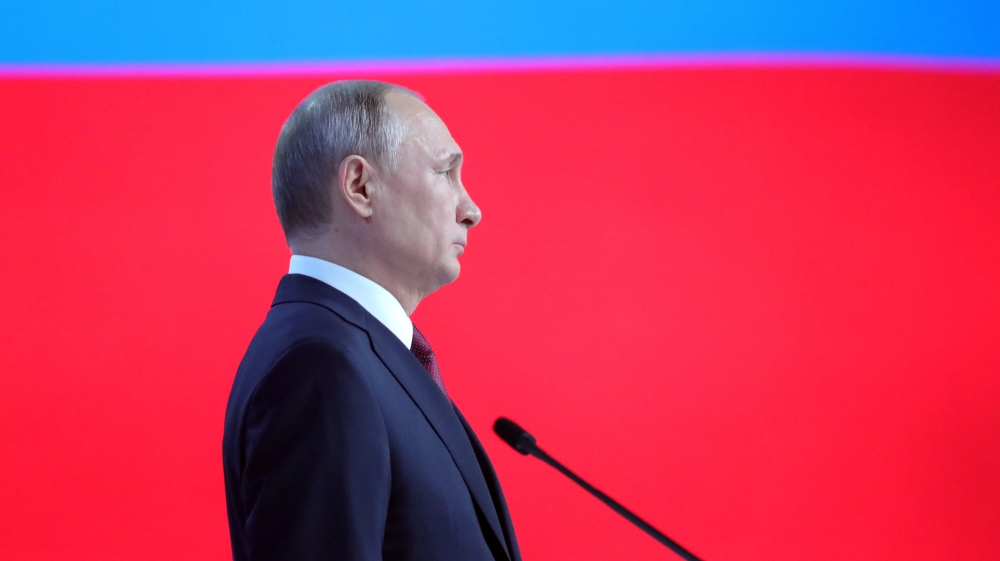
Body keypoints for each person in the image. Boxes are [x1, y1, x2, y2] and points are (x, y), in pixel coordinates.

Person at [222, 80, 521, 561]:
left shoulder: (355, 355)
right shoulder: (319, 367)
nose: (472, 211)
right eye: (446, 172)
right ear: (360, 187)